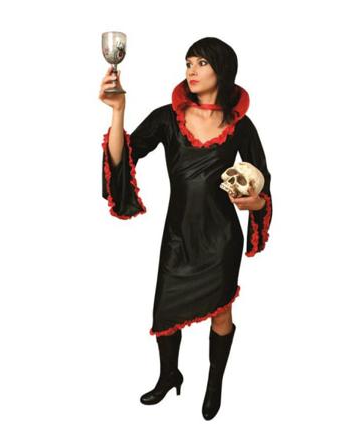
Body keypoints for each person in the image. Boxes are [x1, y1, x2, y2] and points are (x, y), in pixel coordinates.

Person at [98, 37, 273, 420]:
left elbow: (263, 183)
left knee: (221, 314)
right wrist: (118, 111)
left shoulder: (240, 126)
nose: (191, 70)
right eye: (188, 62)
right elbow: (124, 157)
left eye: (201, 63)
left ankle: (214, 382)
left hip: (221, 238)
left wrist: (256, 203)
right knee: (165, 314)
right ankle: (169, 376)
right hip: (178, 234)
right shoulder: (167, 118)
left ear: (222, 70)